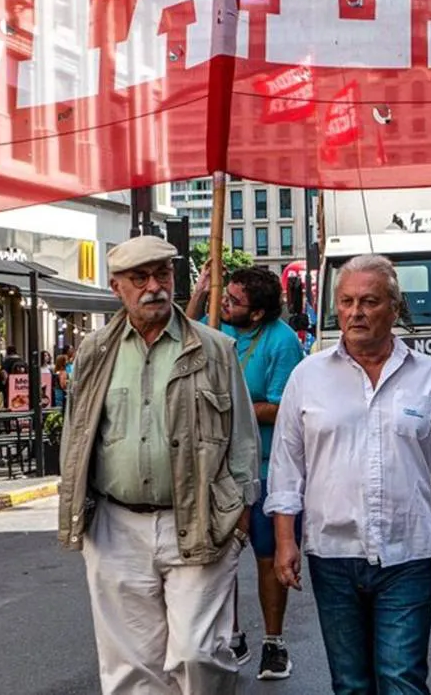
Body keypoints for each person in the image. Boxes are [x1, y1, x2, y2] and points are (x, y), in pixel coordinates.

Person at [267, 254, 431, 695]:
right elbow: (287, 466)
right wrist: (285, 540)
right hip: (332, 552)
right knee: (350, 684)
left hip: (408, 552)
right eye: (346, 302)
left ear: (394, 307)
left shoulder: (430, 377)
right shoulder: (307, 377)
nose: (355, 312)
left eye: (368, 301)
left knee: (402, 678)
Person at [58, 236, 260, 695]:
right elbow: (77, 437)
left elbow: (244, 444)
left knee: (197, 654)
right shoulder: (94, 352)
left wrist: (240, 522)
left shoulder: (214, 350)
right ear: (117, 287)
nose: (154, 287)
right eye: (140, 278)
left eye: (163, 275)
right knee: (130, 669)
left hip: (201, 521)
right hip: (115, 525)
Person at [189, 265, 306, 678]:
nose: (225, 305)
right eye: (225, 298)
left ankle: (274, 643)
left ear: (256, 313)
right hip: (218, 466)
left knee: (267, 554)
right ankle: (232, 634)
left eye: (233, 300)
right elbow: (182, 341)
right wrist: (203, 294)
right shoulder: (217, 326)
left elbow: (282, 406)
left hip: (267, 466)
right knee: (221, 556)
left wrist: (230, 406)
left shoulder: (282, 342)